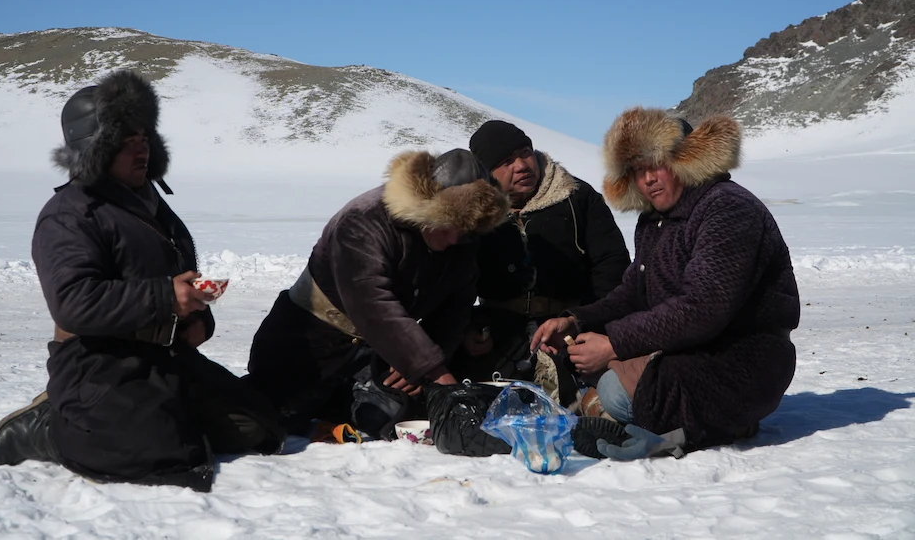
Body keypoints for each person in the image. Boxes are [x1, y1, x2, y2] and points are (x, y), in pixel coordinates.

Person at [0, 70, 285, 492]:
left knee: (260, 428)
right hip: (99, 362)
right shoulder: (71, 214)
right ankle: (50, 426)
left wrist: (196, 319)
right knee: (152, 457)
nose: (140, 146)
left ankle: (148, 417)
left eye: (144, 135)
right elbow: (72, 301)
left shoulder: (149, 203)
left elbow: (177, 285)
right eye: (126, 138)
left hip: (165, 356)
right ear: (96, 148)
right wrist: (165, 298)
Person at [531, 107, 799, 459]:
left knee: (613, 389)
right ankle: (650, 417)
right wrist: (576, 320)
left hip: (744, 361)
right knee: (583, 363)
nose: (648, 180)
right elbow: (632, 293)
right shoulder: (656, 220)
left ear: (687, 160)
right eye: (637, 171)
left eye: (656, 164)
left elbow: (703, 308)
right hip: (694, 349)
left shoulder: (727, 208)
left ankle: (720, 423)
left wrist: (613, 345)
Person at [246, 148, 509, 440]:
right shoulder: (364, 219)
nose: (453, 239)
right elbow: (373, 305)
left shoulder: (462, 239)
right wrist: (434, 373)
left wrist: (418, 363)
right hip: (305, 343)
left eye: (464, 230)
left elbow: (455, 307)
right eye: (447, 226)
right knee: (272, 415)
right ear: (425, 209)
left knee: (392, 417)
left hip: (381, 351)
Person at [450, 120, 630, 398]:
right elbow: (458, 276)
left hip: (569, 327)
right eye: (507, 161)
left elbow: (612, 267)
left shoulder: (577, 198)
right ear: (488, 173)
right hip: (497, 328)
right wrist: (466, 326)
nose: (521, 165)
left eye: (525, 153)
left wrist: (586, 324)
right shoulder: (477, 213)